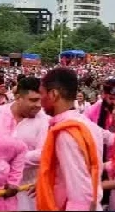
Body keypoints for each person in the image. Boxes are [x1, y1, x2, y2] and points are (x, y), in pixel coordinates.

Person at [0, 77, 49, 210]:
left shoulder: (46, 121)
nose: (38, 105)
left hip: (27, 192)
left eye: (40, 100)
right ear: (18, 97)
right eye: (33, 100)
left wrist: (5, 162)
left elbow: (43, 154)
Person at [35, 67, 104, 211]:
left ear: (53, 94)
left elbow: (80, 192)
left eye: (41, 94)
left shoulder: (66, 133)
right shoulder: (87, 124)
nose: (40, 100)